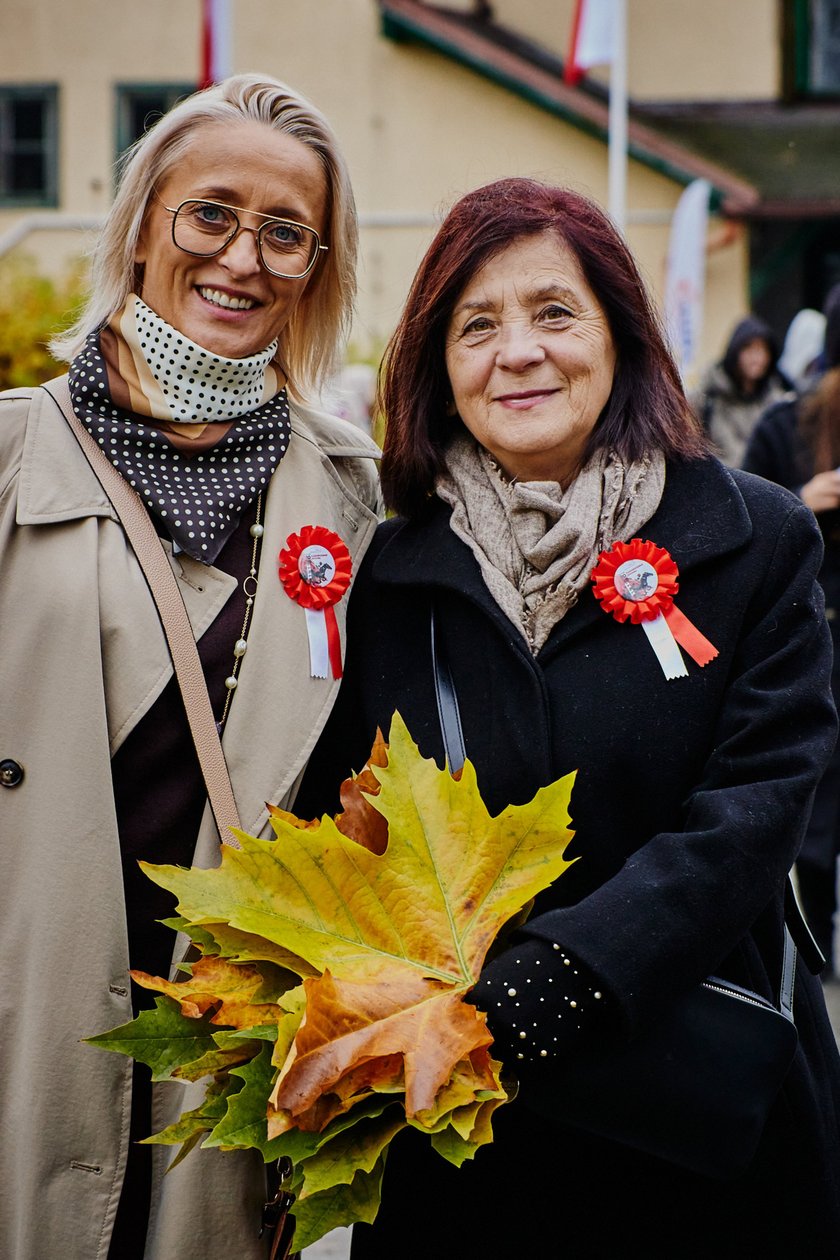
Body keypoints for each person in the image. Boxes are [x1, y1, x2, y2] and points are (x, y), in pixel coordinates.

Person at [298, 178, 840, 1256]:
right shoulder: (386, 572)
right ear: (437, 367)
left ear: (620, 335)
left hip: (701, 1111)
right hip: (468, 1134)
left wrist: (558, 982)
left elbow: (757, 806)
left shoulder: (755, 538)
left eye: (555, 312)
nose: (520, 352)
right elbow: (341, 818)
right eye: (477, 325)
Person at [0, 74, 381, 1260]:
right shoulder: (13, 453)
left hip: (225, 1028)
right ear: (143, 224)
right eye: (210, 213)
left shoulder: (354, 490)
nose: (243, 259)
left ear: (316, 268)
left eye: (286, 233)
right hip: (30, 988)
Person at [744, 283, 840, 982]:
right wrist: (803, 502)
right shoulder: (787, 424)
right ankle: (817, 940)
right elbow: (741, 512)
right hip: (812, 633)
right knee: (812, 799)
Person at [689, 314, 791, 466]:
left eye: (763, 350)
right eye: (749, 349)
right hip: (720, 483)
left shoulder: (777, 403)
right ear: (735, 351)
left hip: (764, 486)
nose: (757, 358)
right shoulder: (707, 398)